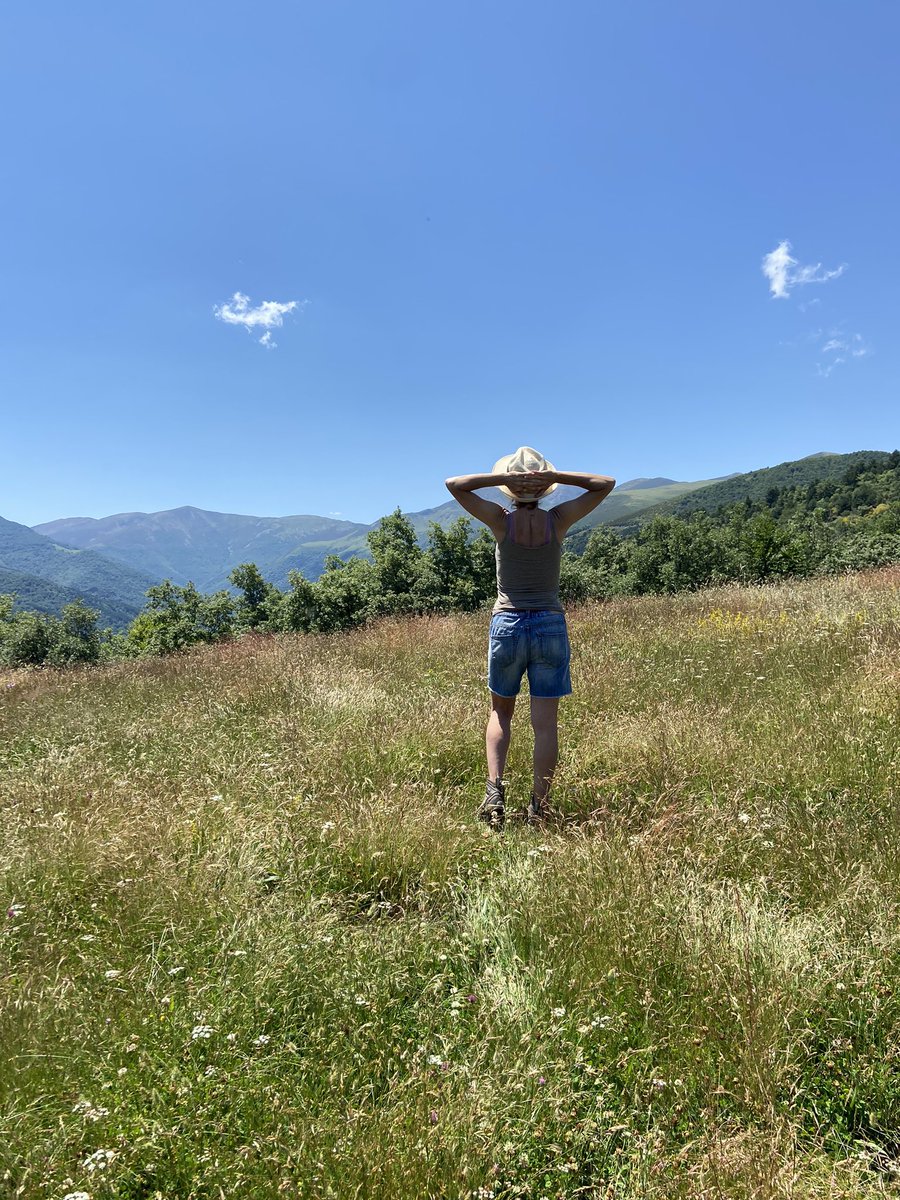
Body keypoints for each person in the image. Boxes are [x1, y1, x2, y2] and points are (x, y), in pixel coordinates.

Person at [445, 447, 615, 829]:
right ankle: (539, 808)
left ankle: (494, 795)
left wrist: (504, 480)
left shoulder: (500, 522)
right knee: (545, 725)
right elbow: (604, 484)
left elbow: (455, 485)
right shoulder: (559, 519)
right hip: (550, 625)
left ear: (511, 488)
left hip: (507, 623)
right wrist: (551, 481)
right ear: (545, 486)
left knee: (500, 713)